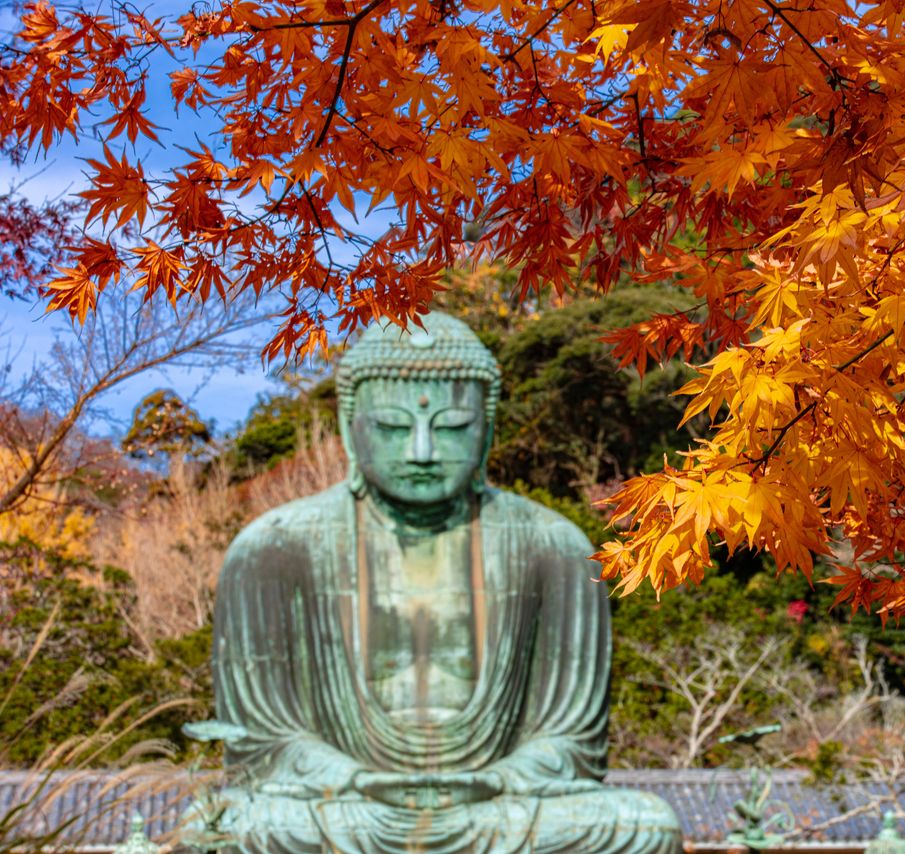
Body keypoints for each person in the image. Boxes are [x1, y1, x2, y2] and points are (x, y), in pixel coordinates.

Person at [188, 313, 683, 853]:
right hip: (348, 809)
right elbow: (261, 748)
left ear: (487, 429)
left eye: (449, 427)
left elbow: (572, 744)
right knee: (220, 827)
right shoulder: (273, 548)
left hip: (497, 807)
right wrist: (355, 780)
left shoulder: (553, 546)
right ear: (351, 429)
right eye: (394, 428)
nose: (421, 451)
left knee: (645, 824)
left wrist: (500, 778)